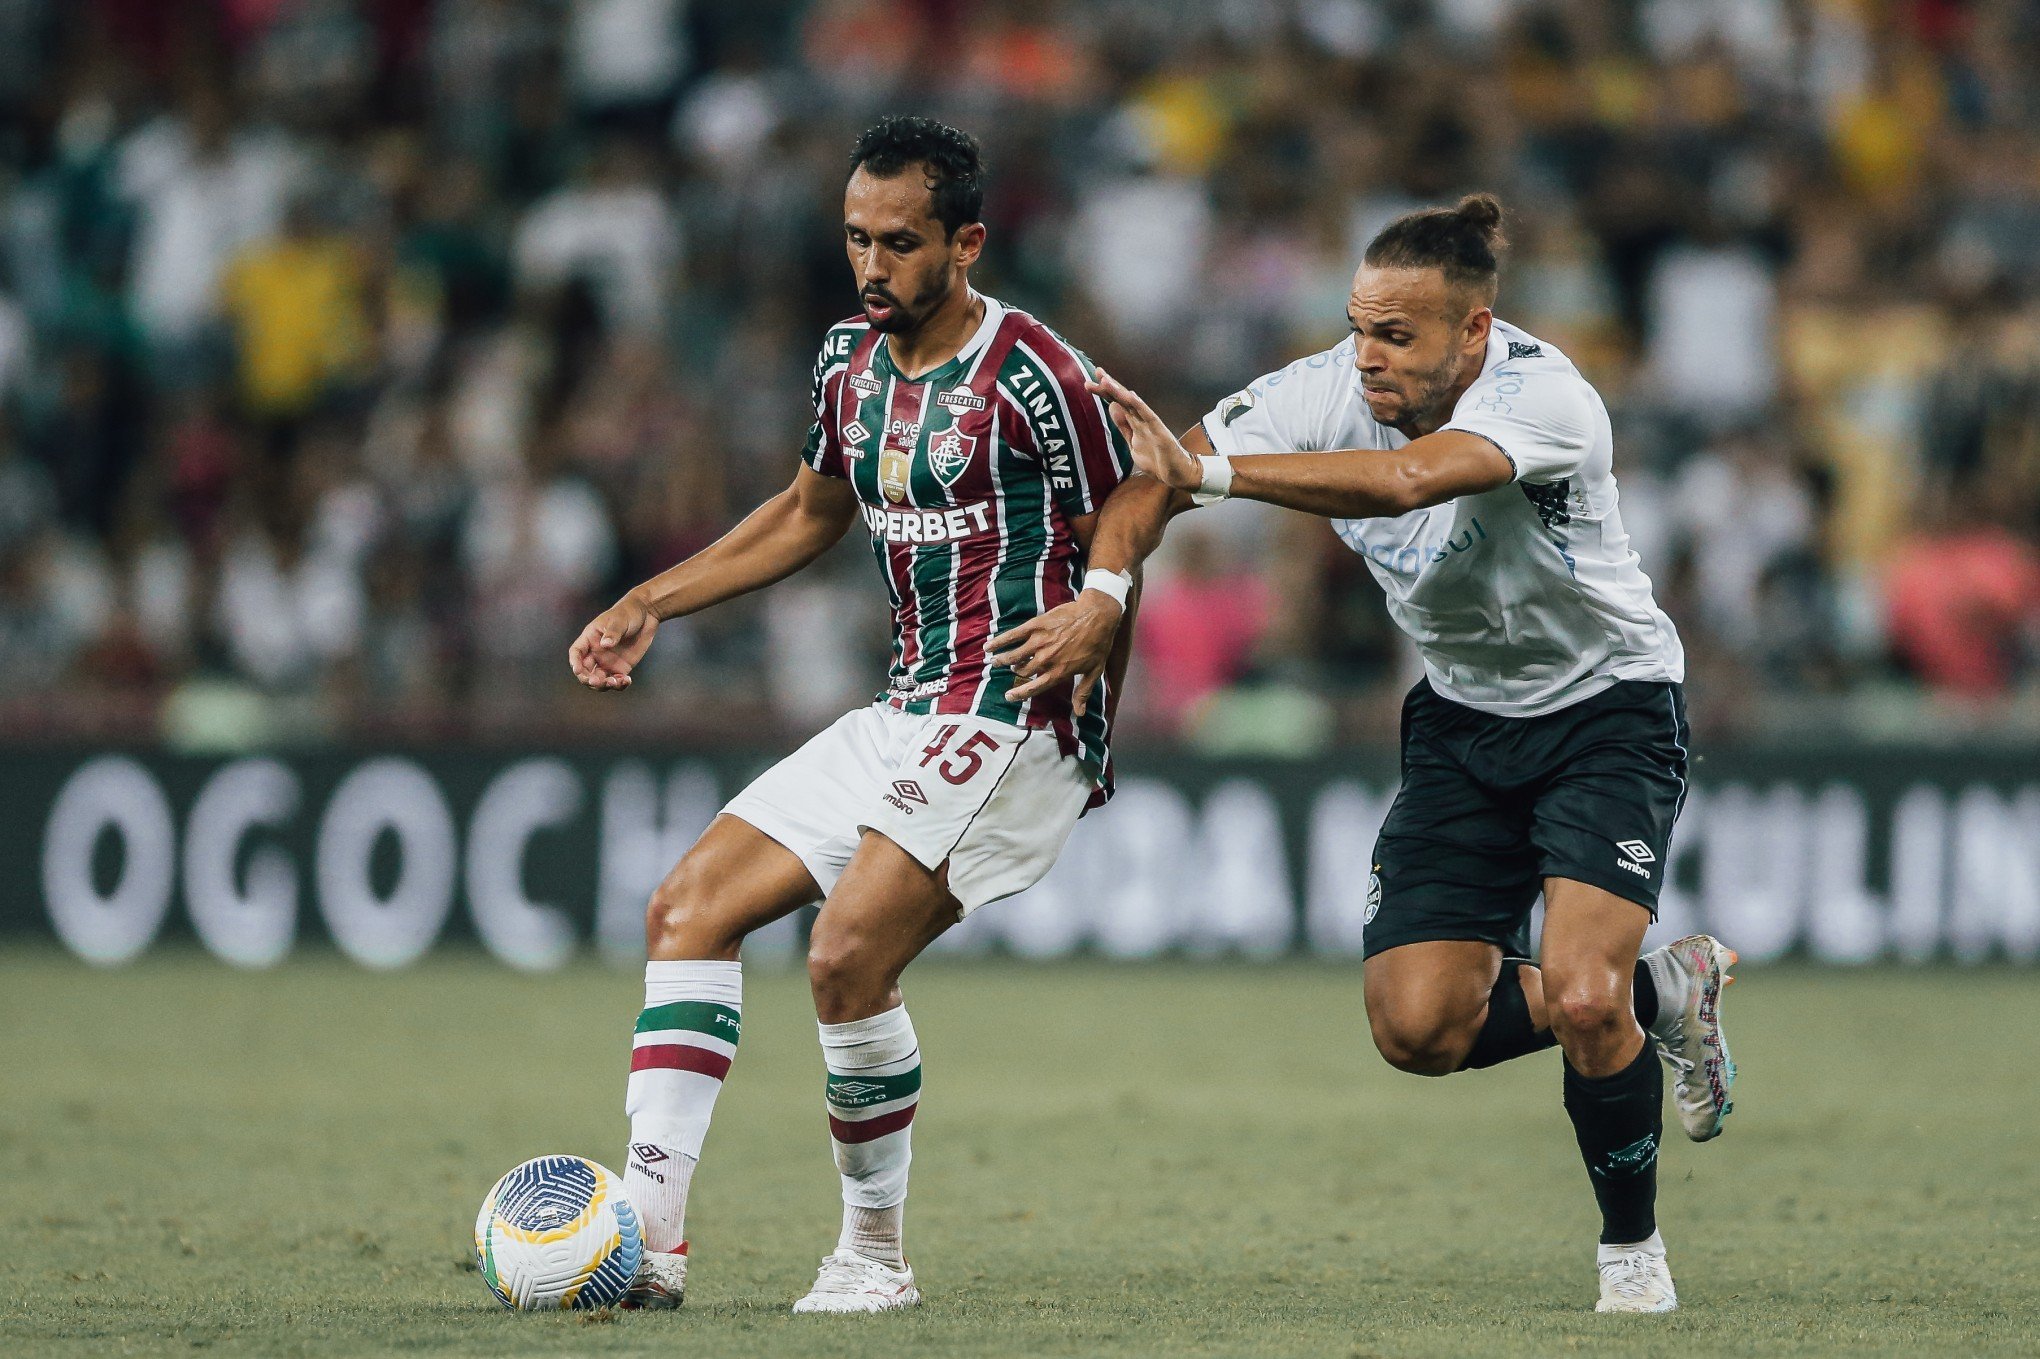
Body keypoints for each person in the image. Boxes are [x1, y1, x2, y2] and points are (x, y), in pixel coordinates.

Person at [990, 194, 1736, 1314]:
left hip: (1607, 710)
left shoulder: (1549, 398)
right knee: (1418, 1028)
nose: (1368, 358)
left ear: (1473, 334)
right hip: (1461, 722)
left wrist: (1220, 479)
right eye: (1358, 329)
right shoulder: (1317, 391)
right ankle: (1665, 989)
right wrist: (1104, 591)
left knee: (1582, 1002)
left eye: (1398, 336)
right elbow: (1153, 480)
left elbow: (1408, 480)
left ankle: (1631, 1256)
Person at [568, 116, 1138, 1315]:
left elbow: (1137, 492)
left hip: (1016, 716)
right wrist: (650, 599)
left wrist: (1103, 611)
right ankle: (646, 1247)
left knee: (844, 955)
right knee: (687, 909)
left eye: (899, 243)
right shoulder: (846, 359)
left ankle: (873, 1256)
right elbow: (806, 512)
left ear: (966, 243)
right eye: (854, 239)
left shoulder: (1033, 370)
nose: (871, 266)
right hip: (905, 709)